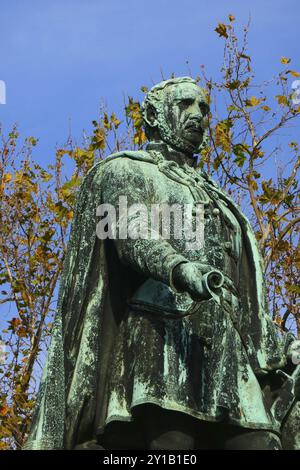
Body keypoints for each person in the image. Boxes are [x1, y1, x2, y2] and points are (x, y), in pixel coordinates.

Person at [24, 77, 299, 450]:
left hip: (227, 344)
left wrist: (281, 344)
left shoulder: (220, 199)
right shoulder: (126, 170)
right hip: (162, 332)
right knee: (172, 445)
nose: (198, 115)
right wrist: (180, 268)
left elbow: (244, 292)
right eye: (186, 104)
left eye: (203, 108)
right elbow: (131, 234)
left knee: (262, 442)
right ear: (153, 114)